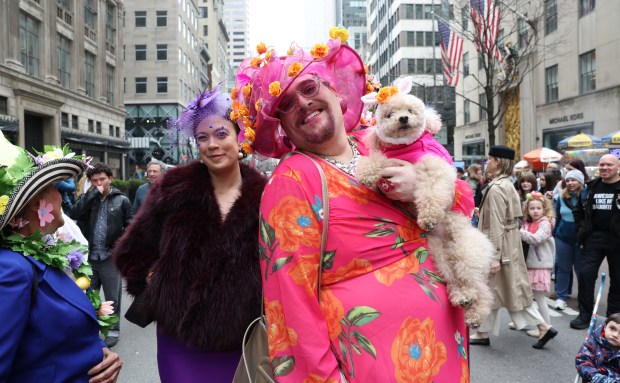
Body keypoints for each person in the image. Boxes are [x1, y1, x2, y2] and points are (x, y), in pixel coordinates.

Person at [231, 35, 474, 381]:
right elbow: (290, 304)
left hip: (445, 350)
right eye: (286, 103)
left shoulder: (380, 141)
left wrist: (423, 188)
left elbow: (464, 203)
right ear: (281, 126)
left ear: (335, 91)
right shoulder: (292, 181)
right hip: (370, 369)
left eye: (309, 87)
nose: (302, 102)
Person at [113, 87, 267, 383]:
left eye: (222, 134)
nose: (213, 145)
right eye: (202, 138)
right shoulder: (172, 188)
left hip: (244, 341)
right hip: (180, 340)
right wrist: (152, 276)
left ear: (240, 138)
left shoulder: (266, 196)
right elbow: (130, 252)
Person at [0, 132, 122, 382]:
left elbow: (52, 338)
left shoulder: (43, 254)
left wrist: (100, 352)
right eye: (54, 187)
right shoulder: (12, 268)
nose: (61, 196)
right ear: (38, 204)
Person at [471, 145, 558, 349]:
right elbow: (505, 218)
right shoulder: (505, 184)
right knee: (498, 288)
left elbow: (496, 224)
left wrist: (494, 256)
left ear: (498, 161)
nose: (487, 163)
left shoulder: (498, 187)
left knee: (510, 288)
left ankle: (543, 327)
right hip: (509, 242)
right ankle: (483, 331)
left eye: (490, 159)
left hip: (502, 245)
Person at [71, 162, 132, 347]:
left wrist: (119, 247)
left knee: (112, 297)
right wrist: (90, 194)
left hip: (109, 257)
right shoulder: (89, 199)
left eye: (102, 179)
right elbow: (75, 212)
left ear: (110, 179)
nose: (99, 183)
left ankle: (112, 330)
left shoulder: (122, 200)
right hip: (89, 256)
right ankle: (90, 330)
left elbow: (130, 227)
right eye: (95, 180)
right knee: (88, 295)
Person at [571, 154, 620, 330]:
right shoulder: (591, 187)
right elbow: (578, 211)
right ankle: (584, 314)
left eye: (609, 165)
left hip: (617, 239)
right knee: (585, 274)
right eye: (602, 165)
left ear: (617, 167)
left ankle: (613, 317)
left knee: (618, 279)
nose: (605, 168)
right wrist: (582, 229)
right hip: (594, 237)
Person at [520, 192, 556, 346]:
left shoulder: (545, 224)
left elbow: (536, 239)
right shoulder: (527, 223)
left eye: (538, 208)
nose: (535, 211)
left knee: (539, 298)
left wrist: (518, 231)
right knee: (527, 296)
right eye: (532, 208)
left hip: (540, 266)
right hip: (529, 264)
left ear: (544, 209)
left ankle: (546, 326)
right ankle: (527, 322)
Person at [553, 170, 587, 310]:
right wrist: (554, 233)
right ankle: (561, 297)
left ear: (580, 182)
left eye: (574, 180)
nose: (570, 183)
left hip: (581, 237)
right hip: (563, 237)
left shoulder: (587, 196)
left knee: (581, 270)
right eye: (568, 180)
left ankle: (584, 297)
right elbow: (557, 215)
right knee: (563, 268)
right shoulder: (561, 196)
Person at [576, 313, 620, 383]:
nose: (615, 335)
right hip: (594, 378)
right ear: (605, 327)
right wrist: (594, 376)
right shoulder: (593, 343)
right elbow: (582, 362)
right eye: (612, 328)